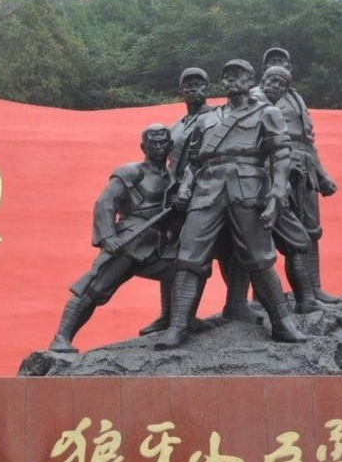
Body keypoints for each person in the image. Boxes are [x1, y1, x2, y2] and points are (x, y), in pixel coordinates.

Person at [154, 59, 304, 350]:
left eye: (238, 75)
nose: (231, 80)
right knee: (189, 256)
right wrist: (185, 187)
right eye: (227, 76)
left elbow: (281, 156)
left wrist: (276, 194)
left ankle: (282, 322)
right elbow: (193, 162)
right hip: (207, 189)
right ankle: (178, 326)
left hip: (248, 186)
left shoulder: (268, 113)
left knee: (259, 258)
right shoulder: (208, 119)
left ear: (251, 79)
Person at [49, 124, 177, 353]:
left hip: (156, 243)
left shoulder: (174, 176)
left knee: (180, 270)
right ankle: (61, 337)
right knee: (96, 288)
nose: (158, 147)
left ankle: (168, 319)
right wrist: (108, 237)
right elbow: (105, 203)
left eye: (162, 143)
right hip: (129, 240)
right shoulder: (131, 172)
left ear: (170, 145)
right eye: (153, 143)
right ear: (143, 147)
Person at [253, 47, 340, 303]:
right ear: (263, 71)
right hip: (275, 164)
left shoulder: (297, 98)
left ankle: (314, 288)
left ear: (290, 69)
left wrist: (322, 175)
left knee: (310, 229)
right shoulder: (257, 96)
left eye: (282, 62)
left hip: (304, 165)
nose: (278, 65)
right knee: (268, 230)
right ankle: (260, 297)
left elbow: (309, 141)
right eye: (272, 62)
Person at [259, 66, 320, 314]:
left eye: (282, 83)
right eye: (272, 80)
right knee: (293, 240)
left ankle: (306, 299)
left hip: (270, 182)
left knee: (288, 241)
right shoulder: (259, 107)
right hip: (261, 186)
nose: (276, 86)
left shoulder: (272, 105)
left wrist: (288, 168)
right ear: (262, 79)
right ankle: (302, 301)